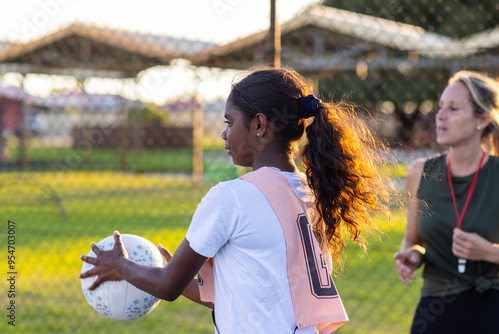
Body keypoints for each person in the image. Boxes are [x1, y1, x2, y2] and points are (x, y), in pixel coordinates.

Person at [79, 67, 391, 333]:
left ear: (259, 125)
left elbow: (166, 286)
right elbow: (256, 292)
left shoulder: (234, 197)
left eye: (230, 122)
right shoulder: (311, 193)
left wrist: (119, 265)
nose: (223, 134)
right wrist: (177, 273)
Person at [393, 70, 499, 334]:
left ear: (482, 119)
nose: (439, 115)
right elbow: (413, 241)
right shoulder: (420, 172)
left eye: (453, 108)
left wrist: (488, 252)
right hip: (435, 311)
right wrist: (411, 256)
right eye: (440, 107)